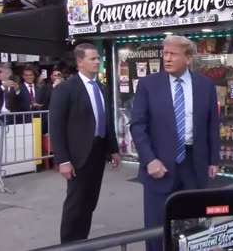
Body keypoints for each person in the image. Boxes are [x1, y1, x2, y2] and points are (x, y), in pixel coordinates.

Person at [130, 35, 220, 251]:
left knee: (193, 224)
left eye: (173, 54)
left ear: (188, 58)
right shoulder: (148, 85)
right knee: (156, 227)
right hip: (159, 166)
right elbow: (137, 126)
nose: (167, 59)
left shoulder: (205, 85)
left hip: (193, 164)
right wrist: (149, 160)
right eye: (165, 54)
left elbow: (212, 124)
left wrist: (213, 159)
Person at [49, 43, 121, 243]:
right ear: (80, 62)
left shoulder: (101, 88)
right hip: (77, 155)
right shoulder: (66, 89)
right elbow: (56, 127)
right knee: (76, 203)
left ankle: (82, 241)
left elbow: (106, 120)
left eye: (98, 58)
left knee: (89, 201)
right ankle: (69, 244)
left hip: (97, 152)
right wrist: (63, 160)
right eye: (93, 58)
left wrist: (113, 149)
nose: (97, 61)